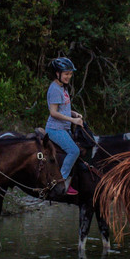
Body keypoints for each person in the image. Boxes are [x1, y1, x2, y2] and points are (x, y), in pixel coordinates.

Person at [45, 57, 83, 197]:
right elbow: (53, 113)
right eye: (66, 73)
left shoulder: (63, 87)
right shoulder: (55, 89)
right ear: (57, 74)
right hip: (55, 129)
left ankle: (73, 182)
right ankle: (60, 181)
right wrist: (73, 120)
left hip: (64, 128)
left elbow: (63, 108)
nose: (69, 76)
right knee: (74, 151)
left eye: (70, 74)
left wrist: (74, 113)